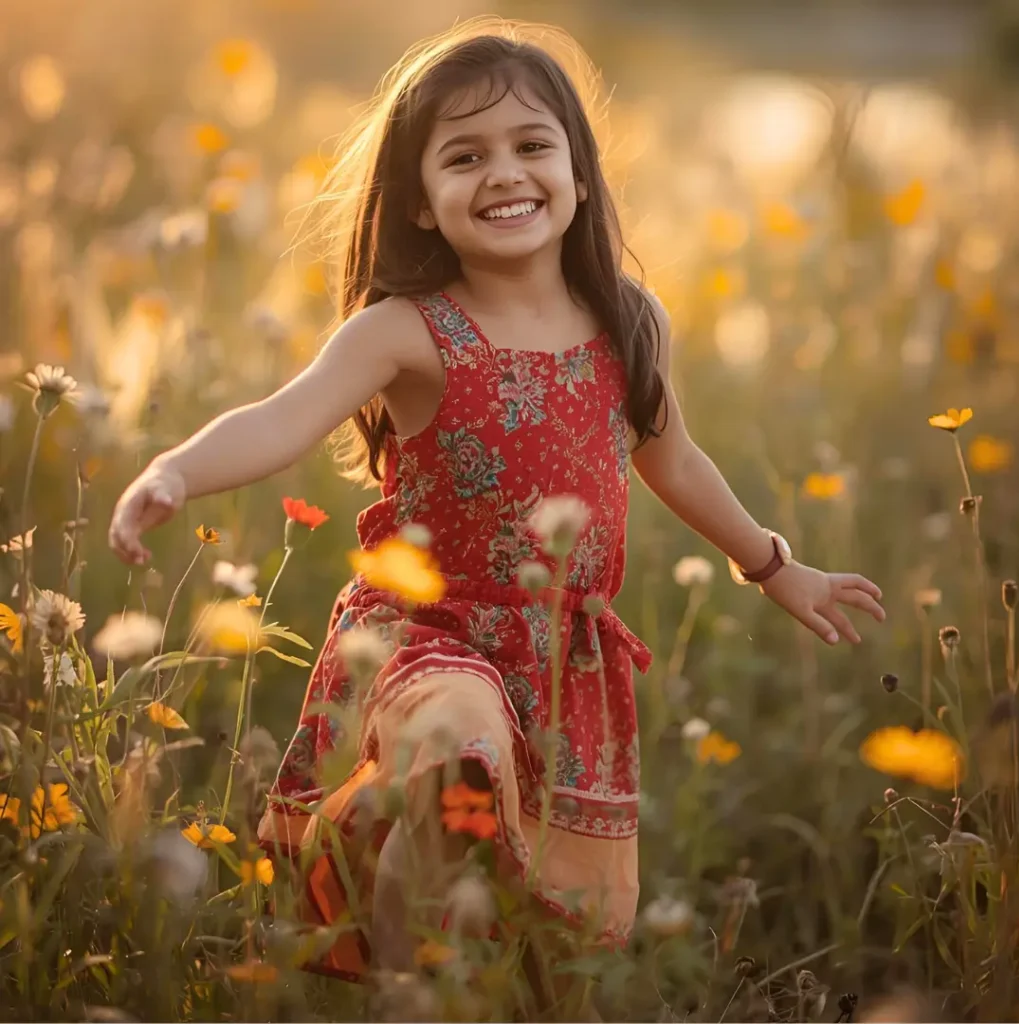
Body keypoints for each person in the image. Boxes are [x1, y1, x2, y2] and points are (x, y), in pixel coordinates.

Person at [107, 16, 885, 990]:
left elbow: (672, 457)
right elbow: (282, 417)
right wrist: (173, 470)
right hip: (426, 635)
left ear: (580, 173)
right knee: (458, 754)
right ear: (423, 203)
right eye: (464, 156)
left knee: (530, 908)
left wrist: (773, 564)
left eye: (531, 146)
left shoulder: (628, 323)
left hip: (560, 658)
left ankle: (432, 950)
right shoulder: (405, 331)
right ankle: (399, 989)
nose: (504, 173)